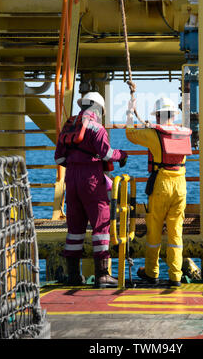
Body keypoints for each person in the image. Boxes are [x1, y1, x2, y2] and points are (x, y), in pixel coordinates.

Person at [55, 91, 128, 287]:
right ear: (99, 108)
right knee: (101, 225)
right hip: (91, 179)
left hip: (70, 179)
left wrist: (76, 163)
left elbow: (59, 159)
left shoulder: (68, 126)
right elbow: (106, 154)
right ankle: (103, 275)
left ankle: (73, 276)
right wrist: (122, 155)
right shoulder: (97, 128)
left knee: (75, 228)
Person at [125, 97, 192, 287]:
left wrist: (130, 112)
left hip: (161, 184)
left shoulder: (153, 134)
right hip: (181, 184)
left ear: (158, 115)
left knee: (154, 228)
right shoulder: (183, 132)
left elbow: (130, 134)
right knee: (176, 232)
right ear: (173, 115)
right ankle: (175, 276)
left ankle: (152, 272)